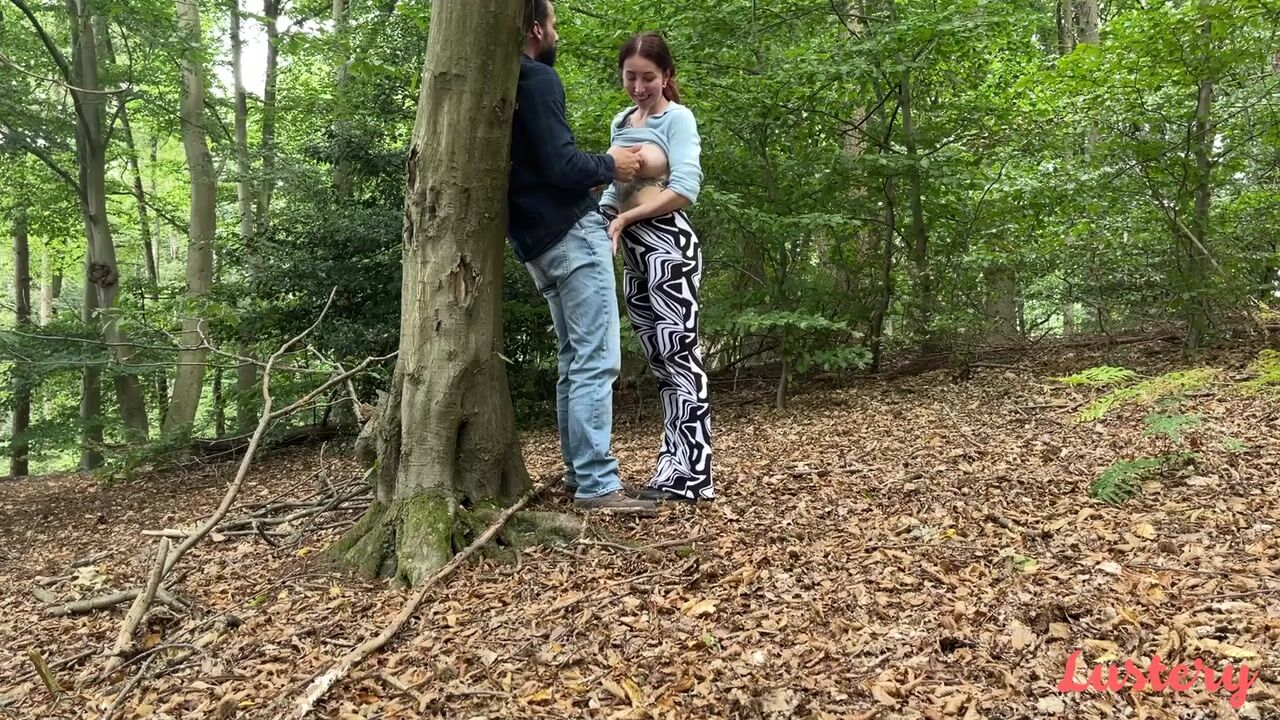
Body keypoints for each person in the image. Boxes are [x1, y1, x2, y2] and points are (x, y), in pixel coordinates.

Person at [507, 0, 655, 512]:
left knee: (574, 361)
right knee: (596, 361)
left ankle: (579, 474)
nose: (557, 35)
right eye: (553, 24)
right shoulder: (537, 78)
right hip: (571, 235)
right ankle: (596, 484)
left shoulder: (502, 83)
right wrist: (610, 164)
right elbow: (562, 165)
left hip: (534, 244)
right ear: (535, 28)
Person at [598, 32, 714, 504]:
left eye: (648, 77)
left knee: (680, 355)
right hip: (634, 255)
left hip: (669, 247)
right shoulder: (621, 121)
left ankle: (695, 475)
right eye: (631, 77)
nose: (639, 87)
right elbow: (615, 189)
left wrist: (627, 218)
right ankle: (671, 469)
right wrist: (604, 219)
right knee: (659, 361)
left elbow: (685, 188)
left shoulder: (677, 118)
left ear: (666, 76)